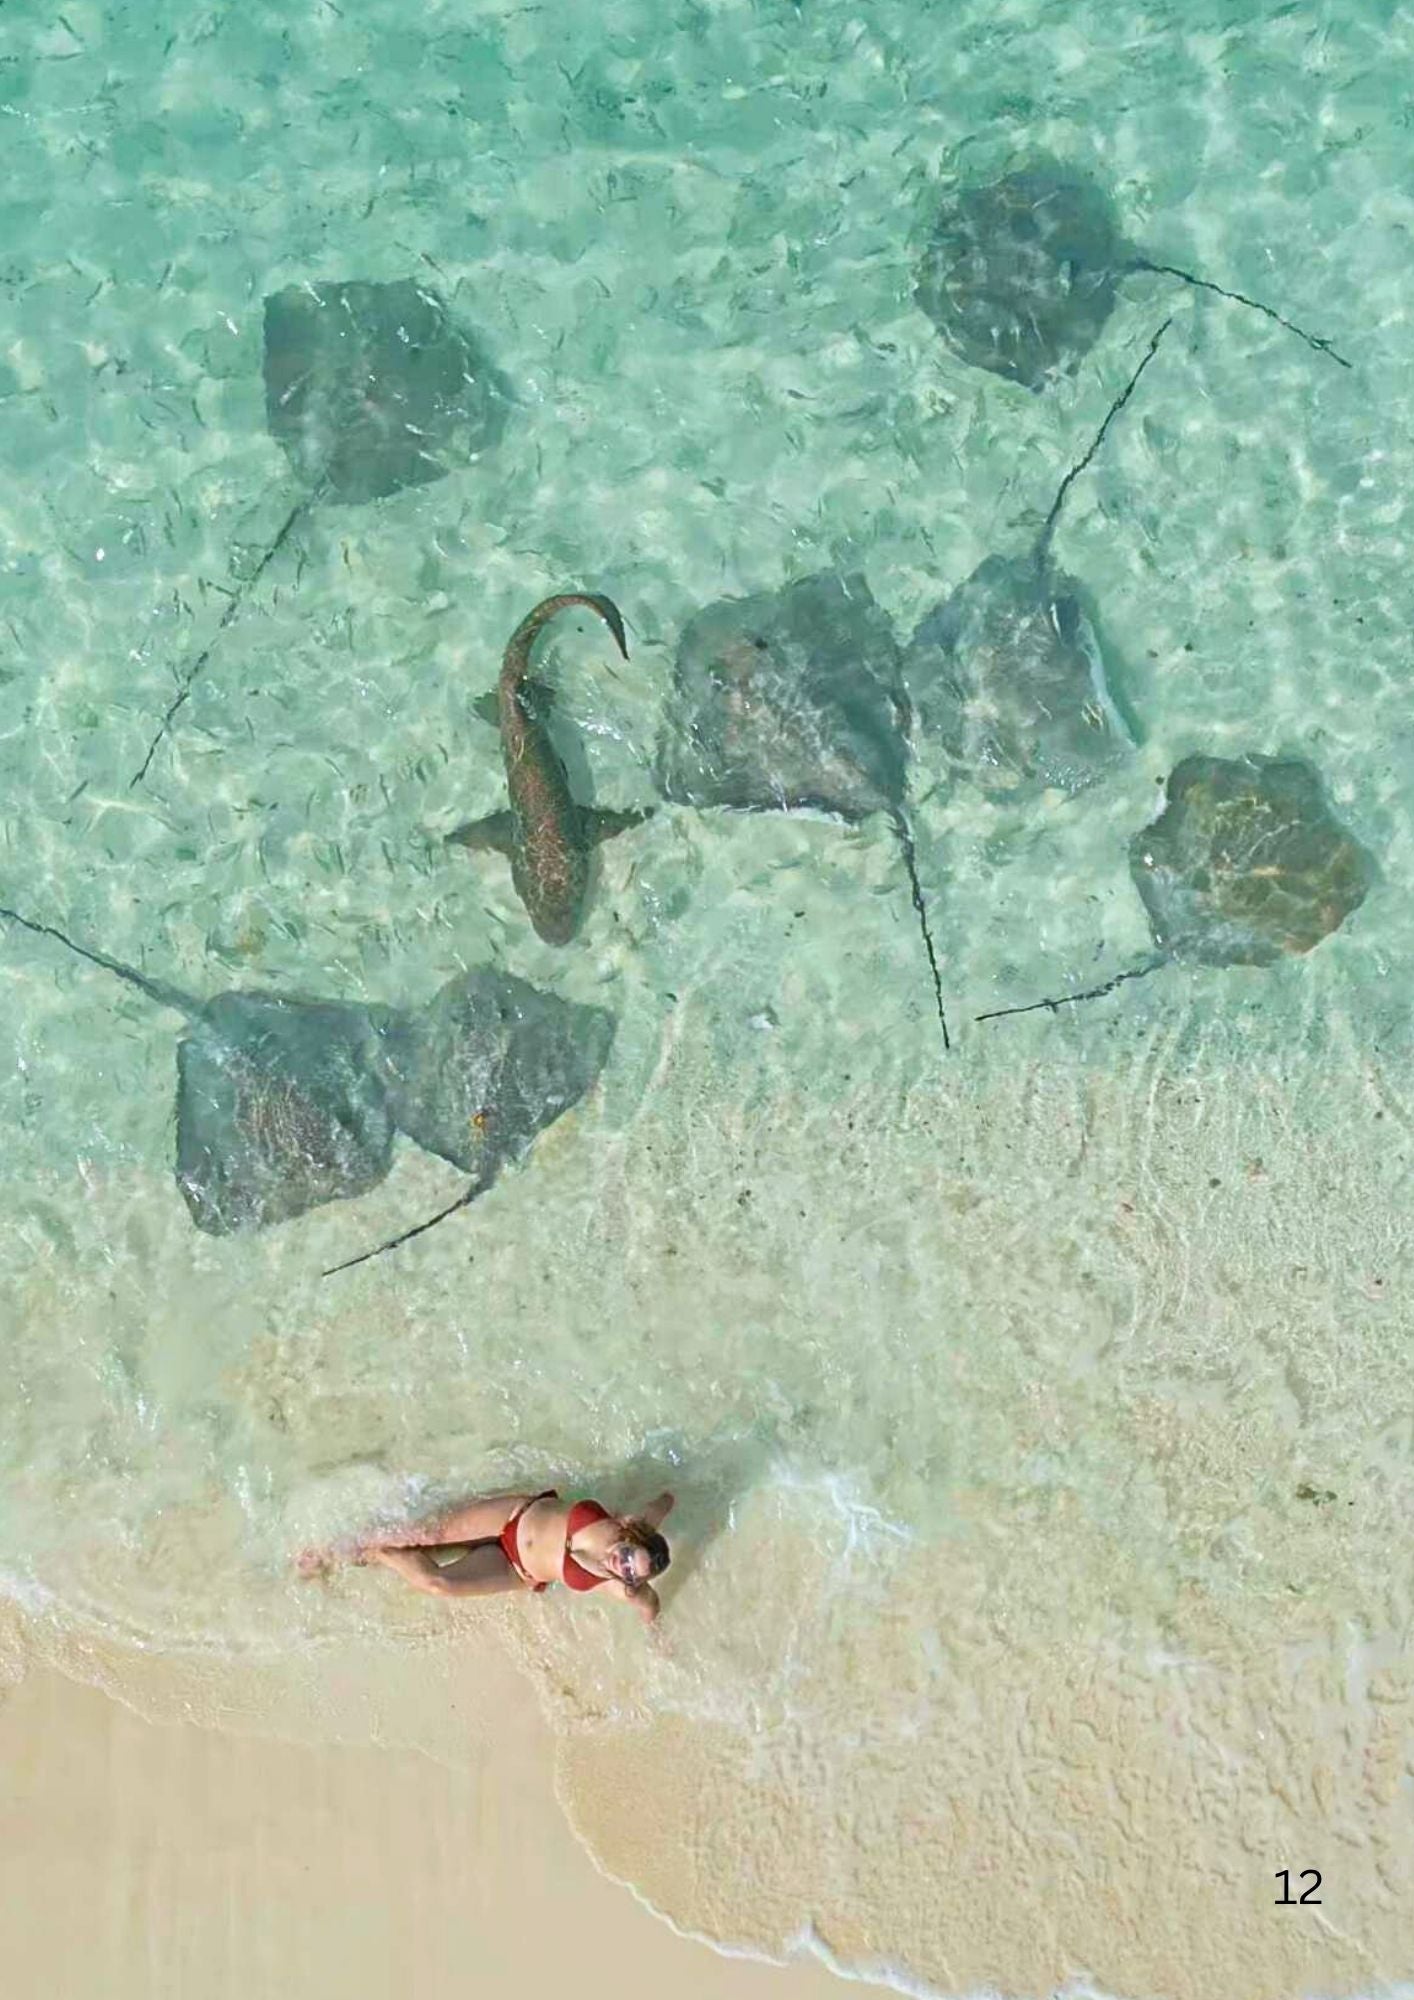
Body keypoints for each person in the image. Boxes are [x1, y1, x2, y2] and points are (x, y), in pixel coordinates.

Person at [305, 1489, 674, 1626]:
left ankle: (368, 1550)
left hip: (513, 1568)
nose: (621, 1564)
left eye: (629, 1571)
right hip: (514, 1515)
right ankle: (343, 1543)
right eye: (628, 1555)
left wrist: (656, 1633)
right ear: (631, 1537)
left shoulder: (625, 1588)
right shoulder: (627, 1524)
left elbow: (650, 1604)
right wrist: (676, 1492)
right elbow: (660, 1505)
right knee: (426, 1533)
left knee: (439, 1583)